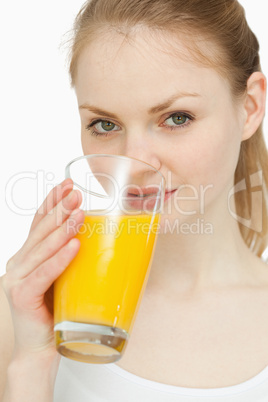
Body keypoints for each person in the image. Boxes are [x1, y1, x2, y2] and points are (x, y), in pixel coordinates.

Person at [1, 0, 268, 400]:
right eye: (104, 125)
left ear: (249, 108)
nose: (134, 162)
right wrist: (31, 362)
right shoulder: (23, 312)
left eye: (177, 118)